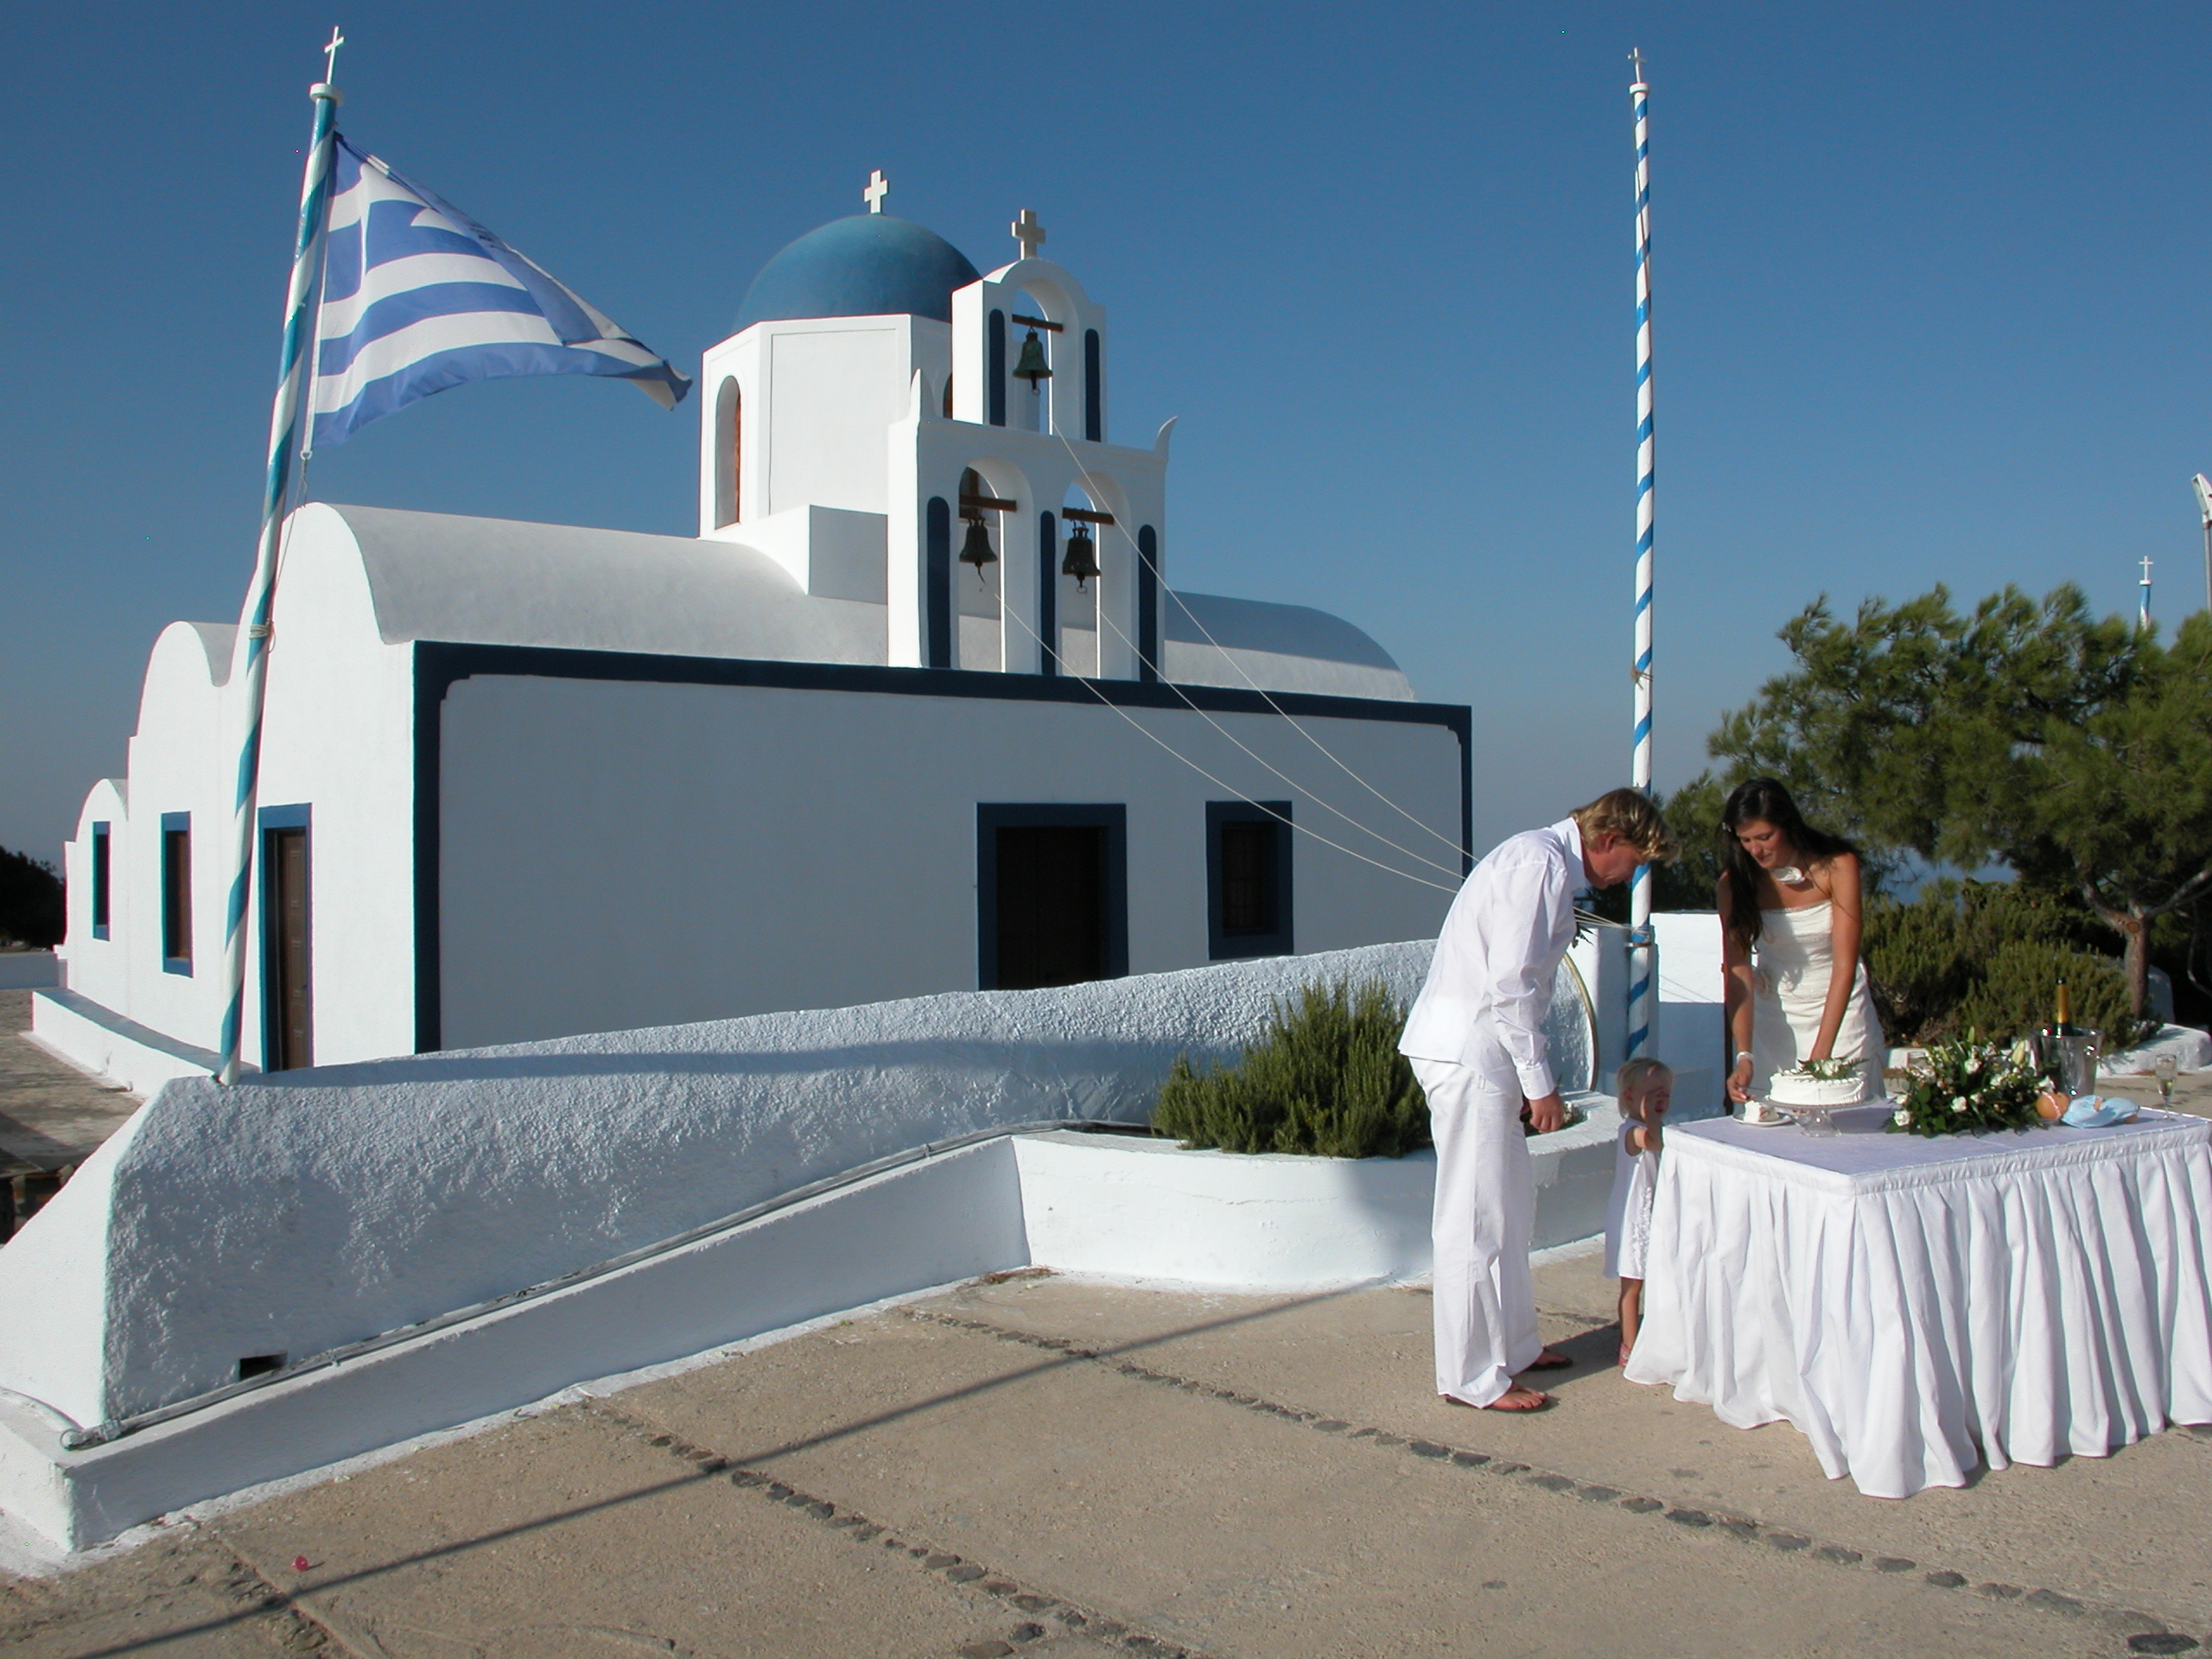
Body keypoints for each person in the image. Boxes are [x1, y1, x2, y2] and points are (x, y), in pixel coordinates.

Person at [1400, 788, 1676, 1412]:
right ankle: (1471, 1377)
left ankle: (1517, 1345)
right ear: (1608, 839)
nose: (1630, 874)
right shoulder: (1538, 864)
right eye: (1633, 860)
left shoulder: (1545, 863)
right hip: (1468, 1053)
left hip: (1482, 1053)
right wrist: (1540, 1085)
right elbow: (1511, 985)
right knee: (1475, 1219)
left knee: (1511, 1208)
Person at [1717, 779, 1878, 1108]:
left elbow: (1845, 964)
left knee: (1842, 1112)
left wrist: (1822, 1054)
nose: (1756, 850)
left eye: (1764, 837)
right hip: (1772, 1014)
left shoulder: (1838, 866)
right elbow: (1738, 970)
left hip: (1839, 1010)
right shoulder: (1734, 885)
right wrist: (1744, 1053)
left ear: (1787, 825)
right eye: (1745, 840)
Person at [1605, 1057, 1672, 1366]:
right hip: (1635, 1218)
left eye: (1666, 1094)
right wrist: (1651, 1118)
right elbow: (1653, 1143)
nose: (1661, 1100)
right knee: (1632, 1286)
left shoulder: (1653, 1127)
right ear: (1630, 1097)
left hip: (1654, 1212)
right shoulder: (1632, 1130)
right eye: (1653, 1093)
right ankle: (1629, 1346)